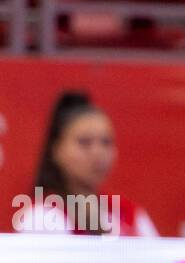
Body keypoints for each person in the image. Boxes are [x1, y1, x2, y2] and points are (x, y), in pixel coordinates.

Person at [14, 91, 158, 236]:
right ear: (56, 150)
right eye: (84, 142)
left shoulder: (129, 215)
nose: (98, 153)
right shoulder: (43, 217)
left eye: (106, 142)